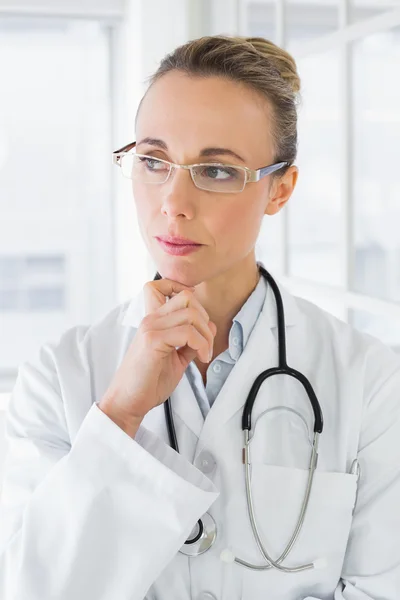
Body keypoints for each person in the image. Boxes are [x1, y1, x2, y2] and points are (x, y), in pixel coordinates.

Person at [1, 34, 400, 600]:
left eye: (216, 171)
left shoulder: (369, 382)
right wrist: (120, 414)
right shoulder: (58, 377)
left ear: (280, 190)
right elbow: (33, 590)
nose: (172, 202)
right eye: (154, 160)